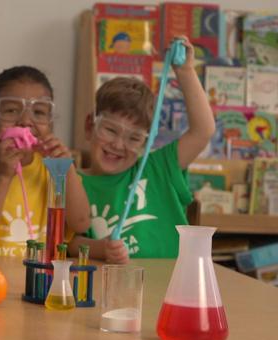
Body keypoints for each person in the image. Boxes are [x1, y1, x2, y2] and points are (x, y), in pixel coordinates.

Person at [71, 37, 215, 264]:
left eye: (134, 137)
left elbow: (203, 130)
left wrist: (185, 70)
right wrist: (101, 249)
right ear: (90, 125)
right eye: (110, 130)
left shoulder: (159, 168)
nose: (118, 145)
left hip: (171, 286)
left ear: (146, 143)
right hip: (112, 290)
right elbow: (68, 242)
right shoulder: (72, 182)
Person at [0, 66, 90, 258]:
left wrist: (66, 169)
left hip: (40, 279)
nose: (25, 121)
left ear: (50, 122)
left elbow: (81, 223)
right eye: (11, 110)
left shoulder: (51, 168)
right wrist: (3, 175)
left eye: (39, 112)